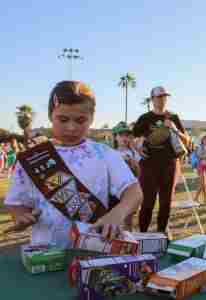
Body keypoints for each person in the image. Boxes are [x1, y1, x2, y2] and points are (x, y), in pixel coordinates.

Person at [4, 81, 143, 247]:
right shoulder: (33, 158)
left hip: (93, 250)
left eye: (80, 120)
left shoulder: (105, 154)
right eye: (63, 120)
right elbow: (16, 203)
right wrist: (21, 216)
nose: (71, 127)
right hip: (47, 252)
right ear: (50, 116)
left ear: (92, 118)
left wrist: (116, 214)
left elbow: (134, 192)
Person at [133, 86, 190, 233]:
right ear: (152, 99)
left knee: (166, 204)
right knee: (147, 203)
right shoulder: (145, 118)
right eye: (159, 97)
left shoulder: (173, 117)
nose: (162, 99)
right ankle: (143, 235)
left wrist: (174, 129)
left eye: (164, 96)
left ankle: (161, 234)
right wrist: (137, 146)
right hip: (148, 165)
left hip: (169, 164)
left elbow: (187, 141)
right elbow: (132, 138)